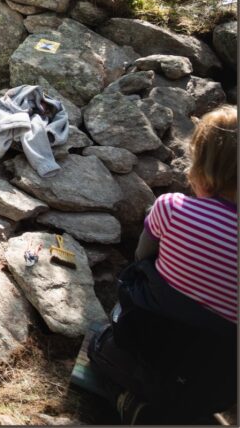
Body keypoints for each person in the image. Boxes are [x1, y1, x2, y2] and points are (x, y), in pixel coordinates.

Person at [88, 105, 237, 424]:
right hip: (217, 389)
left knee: (98, 345)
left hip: (145, 350)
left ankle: (132, 406)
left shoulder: (171, 208)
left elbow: (141, 257)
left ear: (203, 167)